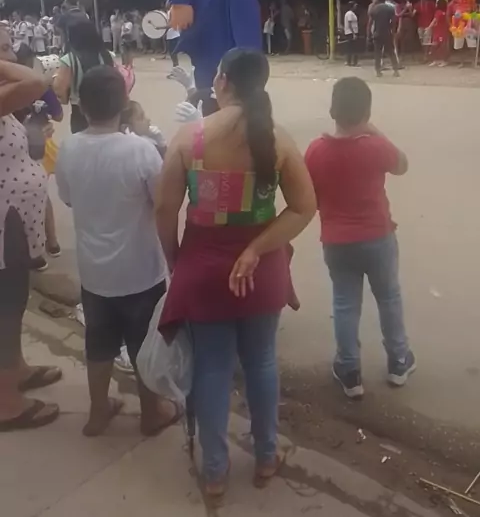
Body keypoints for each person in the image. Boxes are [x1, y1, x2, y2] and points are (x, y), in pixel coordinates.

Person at [156, 48, 316, 498]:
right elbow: (304, 207)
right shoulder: (277, 140)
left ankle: (214, 471)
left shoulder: (190, 138)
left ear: (222, 81)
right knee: (262, 362)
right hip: (261, 271)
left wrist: (175, 259)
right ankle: (266, 456)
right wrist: (256, 249)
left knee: (212, 369)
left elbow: (165, 208)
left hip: (204, 270)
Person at [55, 66, 179, 437]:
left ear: (82, 105)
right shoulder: (140, 150)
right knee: (143, 345)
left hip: (95, 273)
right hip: (141, 271)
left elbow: (67, 198)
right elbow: (162, 204)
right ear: (125, 103)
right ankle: (151, 412)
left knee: (98, 342)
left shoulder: (70, 147)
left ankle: (98, 411)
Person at [305, 77, 415, 399]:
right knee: (389, 298)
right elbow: (402, 165)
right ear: (366, 113)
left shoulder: (316, 150)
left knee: (345, 303)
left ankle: (350, 370)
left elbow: (308, 194)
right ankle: (398, 361)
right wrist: (374, 130)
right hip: (378, 236)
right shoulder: (375, 146)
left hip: (337, 241)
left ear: (332, 111)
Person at [0, 27, 61, 431]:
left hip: (13, 218)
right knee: (5, 307)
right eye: (4, 48)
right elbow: (38, 81)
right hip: (2, 223)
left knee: (14, 300)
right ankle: (6, 403)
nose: (12, 56)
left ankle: (16, 369)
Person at [14, 44, 63, 266]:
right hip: (36, 146)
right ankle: (50, 243)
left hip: (23, 149)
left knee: (24, 199)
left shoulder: (11, 86)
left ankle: (37, 249)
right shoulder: (40, 86)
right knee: (39, 195)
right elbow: (59, 116)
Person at [54, 21, 114, 133]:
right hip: (108, 106)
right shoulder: (108, 56)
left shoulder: (69, 59)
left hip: (80, 110)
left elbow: (60, 88)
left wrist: (64, 98)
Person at [370, 0, 400, 78]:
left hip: (377, 33)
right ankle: (396, 70)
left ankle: (378, 71)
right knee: (391, 52)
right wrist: (392, 30)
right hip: (387, 32)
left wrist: (369, 33)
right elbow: (394, 20)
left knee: (377, 53)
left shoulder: (373, 9)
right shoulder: (390, 8)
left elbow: (371, 22)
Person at [428, 0, 449, 67]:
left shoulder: (439, 12)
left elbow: (434, 20)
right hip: (438, 31)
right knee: (435, 46)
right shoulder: (444, 12)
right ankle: (436, 60)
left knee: (441, 47)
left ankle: (444, 61)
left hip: (441, 32)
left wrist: (428, 28)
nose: (435, 4)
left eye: (437, 3)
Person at [344, 2, 359, 67]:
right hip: (351, 33)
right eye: (355, 5)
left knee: (351, 48)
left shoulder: (352, 13)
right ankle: (352, 62)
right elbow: (349, 24)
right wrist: (353, 34)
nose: (356, 7)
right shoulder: (350, 14)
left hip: (352, 32)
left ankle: (350, 61)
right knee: (353, 48)